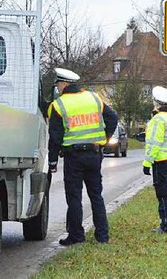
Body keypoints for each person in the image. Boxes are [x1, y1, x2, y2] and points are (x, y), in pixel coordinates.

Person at [48, 67, 118, 246]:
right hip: (94, 155)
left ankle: (76, 235)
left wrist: (53, 160)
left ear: (64, 84)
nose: (57, 88)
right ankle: (102, 236)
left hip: (73, 157)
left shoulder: (58, 105)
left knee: (74, 197)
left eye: (58, 85)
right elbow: (112, 118)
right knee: (96, 195)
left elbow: (55, 137)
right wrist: (103, 141)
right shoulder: (93, 97)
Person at [142, 86, 167, 234]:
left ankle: (166, 227)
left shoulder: (157, 120)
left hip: (161, 161)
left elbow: (153, 144)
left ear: (156, 103)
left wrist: (147, 163)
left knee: (163, 194)